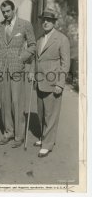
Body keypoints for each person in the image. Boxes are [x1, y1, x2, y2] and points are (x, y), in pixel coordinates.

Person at [0, 0, 36, 148]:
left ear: (14, 10)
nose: (5, 14)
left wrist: (21, 58)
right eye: (3, 12)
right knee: (5, 102)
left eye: (7, 11)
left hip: (18, 69)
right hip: (3, 69)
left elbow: (33, 46)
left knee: (17, 102)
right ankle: (8, 132)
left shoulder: (24, 24)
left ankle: (19, 135)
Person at [33, 8, 70, 157]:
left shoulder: (62, 39)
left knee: (51, 115)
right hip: (40, 81)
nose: (46, 22)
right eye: (44, 20)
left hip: (53, 82)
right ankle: (44, 138)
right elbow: (37, 59)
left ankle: (48, 144)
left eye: (49, 20)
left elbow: (65, 63)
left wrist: (60, 84)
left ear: (54, 22)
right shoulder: (40, 39)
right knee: (42, 113)